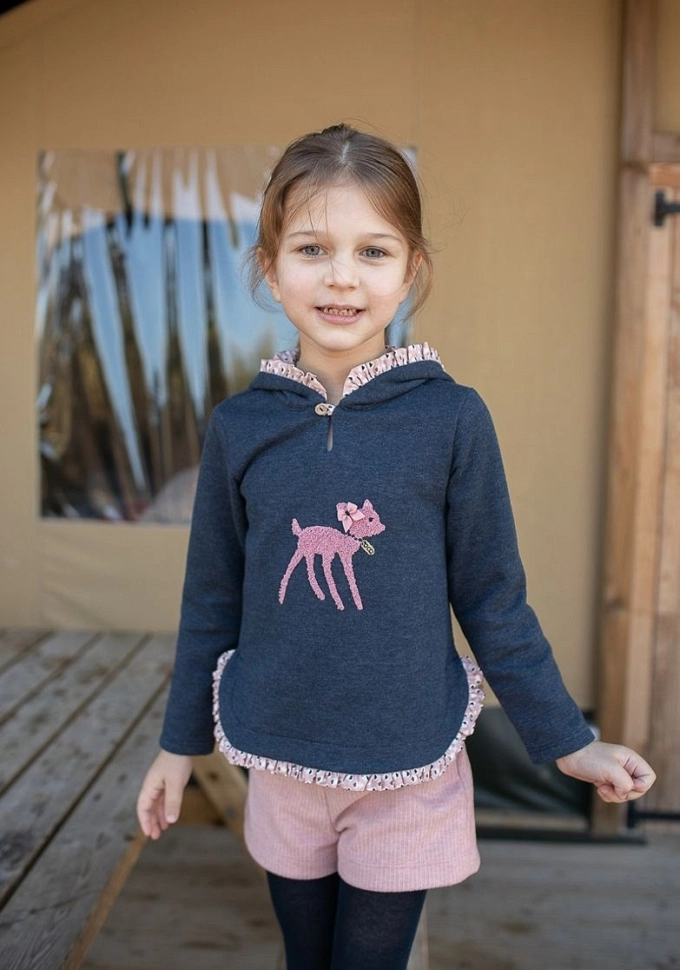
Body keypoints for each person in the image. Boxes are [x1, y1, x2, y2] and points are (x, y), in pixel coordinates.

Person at [137, 124, 656, 970]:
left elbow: (493, 598)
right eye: (312, 247)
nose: (342, 275)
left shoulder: (452, 421)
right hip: (279, 755)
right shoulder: (241, 427)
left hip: (408, 764)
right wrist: (178, 743)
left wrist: (567, 738)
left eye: (372, 250)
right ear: (270, 268)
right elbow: (212, 600)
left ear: (410, 268)